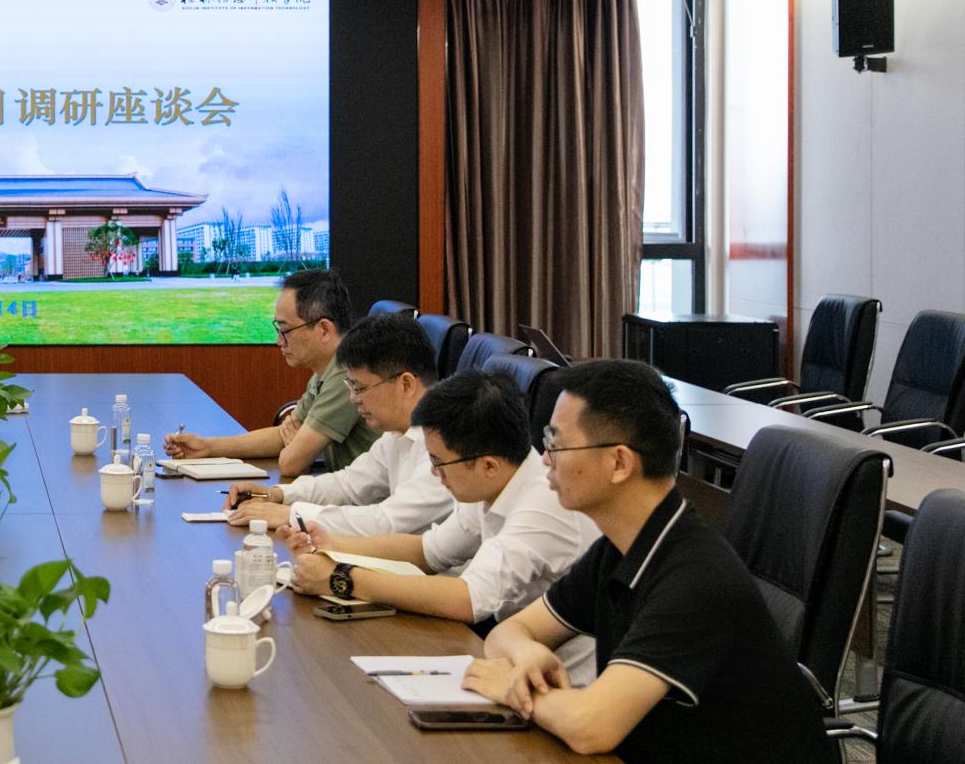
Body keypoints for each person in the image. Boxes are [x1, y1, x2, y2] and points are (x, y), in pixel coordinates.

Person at [462, 360, 838, 763]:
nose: (546, 460)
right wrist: (526, 654)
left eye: (557, 444)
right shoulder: (618, 548)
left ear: (619, 463)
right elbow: (510, 631)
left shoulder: (696, 579)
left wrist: (513, 690)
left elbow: (591, 727)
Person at [280, 370, 599, 681]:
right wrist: (332, 546)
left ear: (488, 465)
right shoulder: (494, 478)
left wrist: (341, 578)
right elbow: (426, 551)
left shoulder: (544, 502)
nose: (435, 473)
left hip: (562, 684)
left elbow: (468, 599)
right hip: (508, 660)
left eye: (438, 462)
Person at [224, 311, 451, 535]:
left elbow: (387, 521)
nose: (353, 399)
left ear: (406, 384)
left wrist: (292, 515)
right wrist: (276, 494)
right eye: (350, 387)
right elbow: (348, 485)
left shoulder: (447, 443)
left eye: (359, 388)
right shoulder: (397, 433)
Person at [165, 269, 379, 480]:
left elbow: (291, 463)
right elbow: (281, 435)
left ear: (324, 329)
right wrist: (207, 447)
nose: (279, 341)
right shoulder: (328, 367)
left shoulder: (346, 372)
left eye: (286, 330)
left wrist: (295, 447)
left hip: (367, 499)